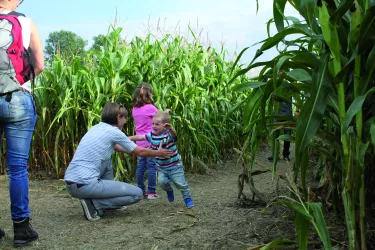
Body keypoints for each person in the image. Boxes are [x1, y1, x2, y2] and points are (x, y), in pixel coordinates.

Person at [64, 103, 173, 222]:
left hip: (71, 182)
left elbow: (118, 147)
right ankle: (96, 204)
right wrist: (158, 152)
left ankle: (106, 202)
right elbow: (140, 152)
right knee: (137, 194)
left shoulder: (97, 127)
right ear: (118, 117)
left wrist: (143, 150)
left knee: (107, 161)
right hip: (84, 185)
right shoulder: (114, 132)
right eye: (124, 118)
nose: (126, 121)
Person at [0, 0, 44, 247]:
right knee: (17, 168)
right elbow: (39, 65)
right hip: (17, 99)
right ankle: (21, 229)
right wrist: (17, 83)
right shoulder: (25, 22)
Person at [129, 111, 195, 208]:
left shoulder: (168, 135)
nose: (154, 126)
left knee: (181, 184)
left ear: (165, 126)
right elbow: (140, 137)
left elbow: (175, 136)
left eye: (157, 124)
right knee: (162, 183)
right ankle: (169, 190)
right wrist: (128, 138)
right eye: (153, 124)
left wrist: (171, 128)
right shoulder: (152, 135)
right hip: (161, 167)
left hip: (175, 166)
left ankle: (187, 198)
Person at [132, 83, 159, 200]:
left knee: (141, 167)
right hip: (150, 142)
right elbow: (161, 118)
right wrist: (167, 112)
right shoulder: (151, 108)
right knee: (152, 166)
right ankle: (151, 191)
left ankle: (141, 191)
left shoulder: (134, 109)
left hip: (139, 143)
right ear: (149, 95)